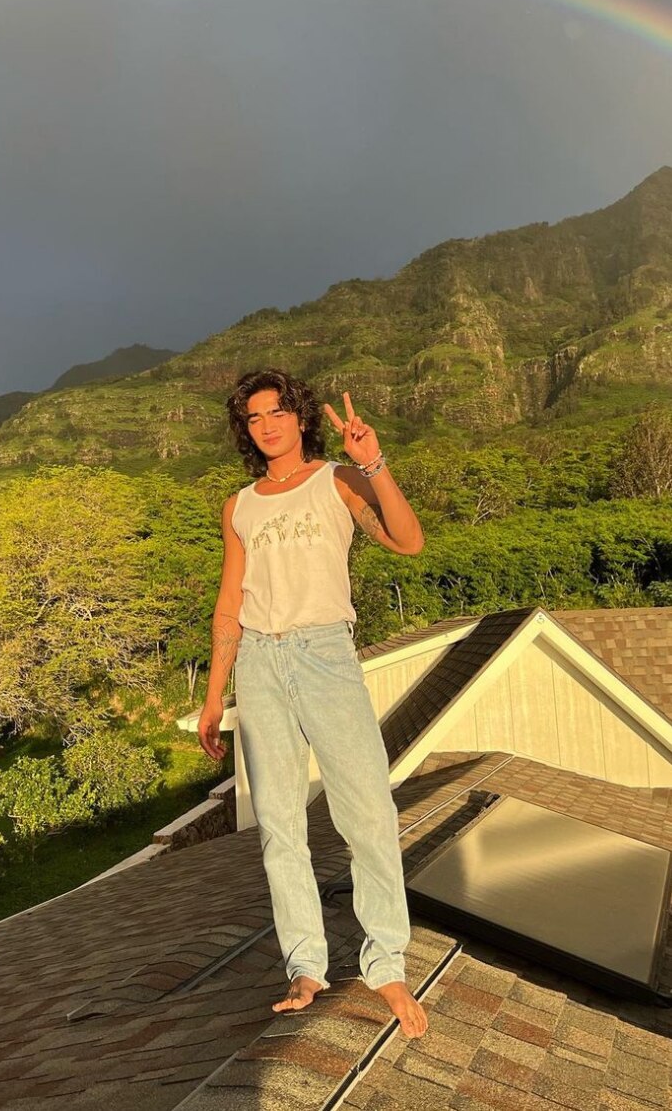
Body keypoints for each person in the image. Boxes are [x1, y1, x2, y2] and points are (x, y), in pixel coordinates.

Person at [198, 369, 428, 1038]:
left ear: (300, 416)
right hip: (261, 667)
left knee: (369, 813)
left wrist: (373, 463)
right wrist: (215, 698)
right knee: (278, 825)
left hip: (325, 654)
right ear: (244, 428)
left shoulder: (339, 480)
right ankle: (305, 965)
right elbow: (229, 603)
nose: (266, 425)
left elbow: (407, 540)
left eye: (276, 412)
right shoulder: (239, 505)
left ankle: (386, 962)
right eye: (252, 417)